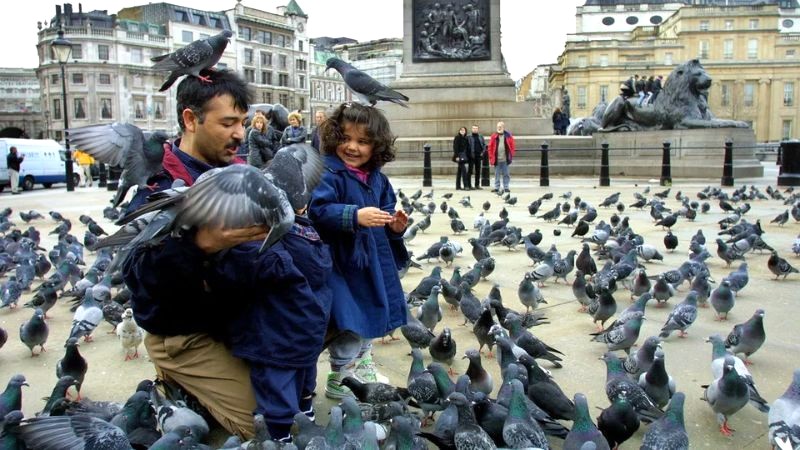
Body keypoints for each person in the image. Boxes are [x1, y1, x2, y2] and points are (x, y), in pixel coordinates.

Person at [122, 69, 263, 439]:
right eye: (229, 122)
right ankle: (174, 383)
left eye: (243, 123)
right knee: (267, 423)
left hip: (234, 317)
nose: (239, 134)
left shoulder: (239, 173)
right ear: (190, 118)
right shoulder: (157, 185)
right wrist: (200, 243)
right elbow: (138, 276)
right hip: (184, 331)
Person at [308, 102, 410, 400]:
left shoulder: (378, 177)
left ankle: (362, 365)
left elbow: (388, 207)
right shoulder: (328, 173)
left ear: (376, 145)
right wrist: (353, 216)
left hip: (372, 262)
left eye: (363, 142)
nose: (352, 147)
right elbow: (317, 209)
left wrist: (395, 225)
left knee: (374, 315)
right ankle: (340, 376)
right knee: (350, 322)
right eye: (346, 138)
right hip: (343, 264)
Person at [209, 205, 332, 442]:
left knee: (276, 391)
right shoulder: (309, 238)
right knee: (303, 374)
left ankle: (278, 437)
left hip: (274, 336)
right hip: (309, 327)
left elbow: (230, 276)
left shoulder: (264, 250)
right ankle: (305, 413)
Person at [487, 121, 515, 194]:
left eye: (500, 127)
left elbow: (512, 146)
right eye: (498, 127)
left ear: (503, 127)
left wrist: (511, 154)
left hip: (505, 159)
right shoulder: (494, 136)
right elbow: (490, 147)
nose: (499, 128)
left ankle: (506, 187)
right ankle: (497, 187)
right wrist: (491, 156)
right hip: (497, 159)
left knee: (506, 174)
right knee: (497, 174)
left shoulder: (508, 135)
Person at [467, 124, 485, 189]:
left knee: (478, 171)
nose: (475, 129)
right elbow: (467, 146)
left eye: (476, 128)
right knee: (470, 171)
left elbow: (484, 145)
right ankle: (469, 185)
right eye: (474, 128)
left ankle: (477, 185)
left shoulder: (480, 136)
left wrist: (482, 152)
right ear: (472, 129)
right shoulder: (469, 136)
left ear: (478, 129)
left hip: (478, 156)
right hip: (471, 156)